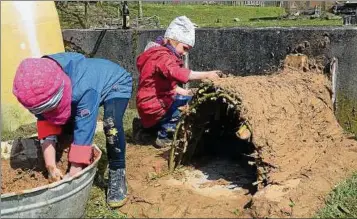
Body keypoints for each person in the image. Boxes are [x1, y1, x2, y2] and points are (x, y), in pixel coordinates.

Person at [12, 52, 132, 208]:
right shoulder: (38, 82)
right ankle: (67, 156)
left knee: (111, 124)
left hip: (115, 83)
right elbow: (46, 123)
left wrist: (74, 172)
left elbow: (85, 126)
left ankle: (117, 171)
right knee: (64, 124)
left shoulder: (84, 87)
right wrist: (51, 167)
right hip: (78, 87)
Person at [136, 16, 221, 148]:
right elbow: (177, 73)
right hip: (155, 105)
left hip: (147, 103)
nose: (184, 53)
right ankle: (166, 136)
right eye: (185, 48)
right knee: (184, 106)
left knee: (184, 97)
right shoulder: (163, 56)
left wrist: (186, 91)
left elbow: (166, 86)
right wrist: (207, 74)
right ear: (172, 40)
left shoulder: (154, 54)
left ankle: (146, 129)